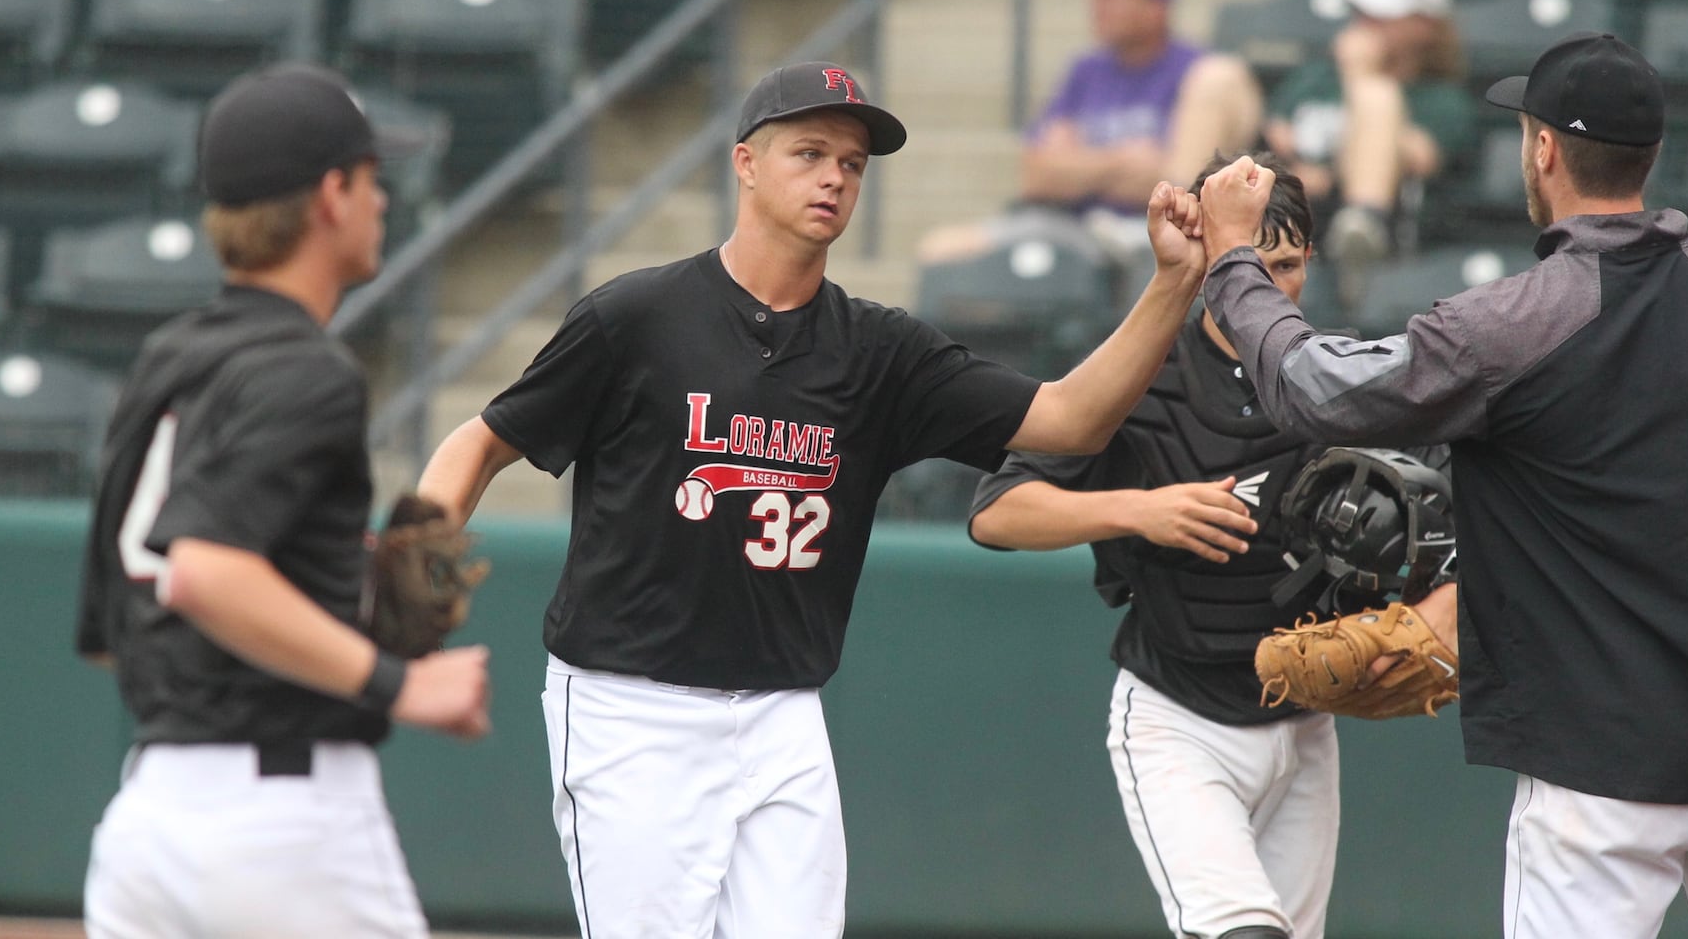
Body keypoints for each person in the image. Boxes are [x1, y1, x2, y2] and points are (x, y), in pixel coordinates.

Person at [415, 59, 1213, 937]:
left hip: (782, 714)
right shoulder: (636, 318)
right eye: (810, 152)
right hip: (630, 707)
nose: (835, 176)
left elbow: (1070, 420)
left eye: (853, 162)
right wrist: (419, 559)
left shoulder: (880, 352)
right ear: (746, 163)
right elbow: (480, 441)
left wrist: (1173, 283)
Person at [1196, 33, 1688, 939]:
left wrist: (1234, 264)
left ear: (1545, 151)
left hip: (1596, 778)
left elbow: (1315, 389)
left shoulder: (1514, 323)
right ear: (1650, 153)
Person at [966, 153, 1457, 939]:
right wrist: (1138, 510)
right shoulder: (1139, 373)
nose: (1269, 284)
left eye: (1290, 264)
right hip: (1177, 717)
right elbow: (997, 512)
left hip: (1304, 725)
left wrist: (1438, 609)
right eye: (1252, 262)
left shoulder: (1340, 375)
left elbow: (1455, 510)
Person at [75, 63, 493, 938]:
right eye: (374, 179)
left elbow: (121, 633)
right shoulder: (308, 371)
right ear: (333, 194)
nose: (384, 200)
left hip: (148, 820)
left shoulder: (166, 358)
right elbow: (205, 572)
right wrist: (397, 683)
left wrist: (329, 584)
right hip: (283, 827)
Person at [917, 0, 1262, 284]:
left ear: (1156, 4)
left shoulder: (1199, 72)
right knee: (939, 251)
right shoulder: (1085, 70)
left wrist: (1080, 165)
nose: (1097, 2)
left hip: (1149, 234)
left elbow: (1178, 185)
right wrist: (1124, 162)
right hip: (1069, 225)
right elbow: (1036, 175)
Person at [1261, 0, 1475, 308]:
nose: (1364, 24)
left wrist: (1361, 77)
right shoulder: (1318, 77)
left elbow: (1419, 157)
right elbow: (1277, 129)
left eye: (1381, 16)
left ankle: (1360, 230)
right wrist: (1300, 171)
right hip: (1295, 214)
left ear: (1424, 25)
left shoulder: (1439, 98)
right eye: (1361, 12)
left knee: (1377, 97)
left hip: (1389, 239)